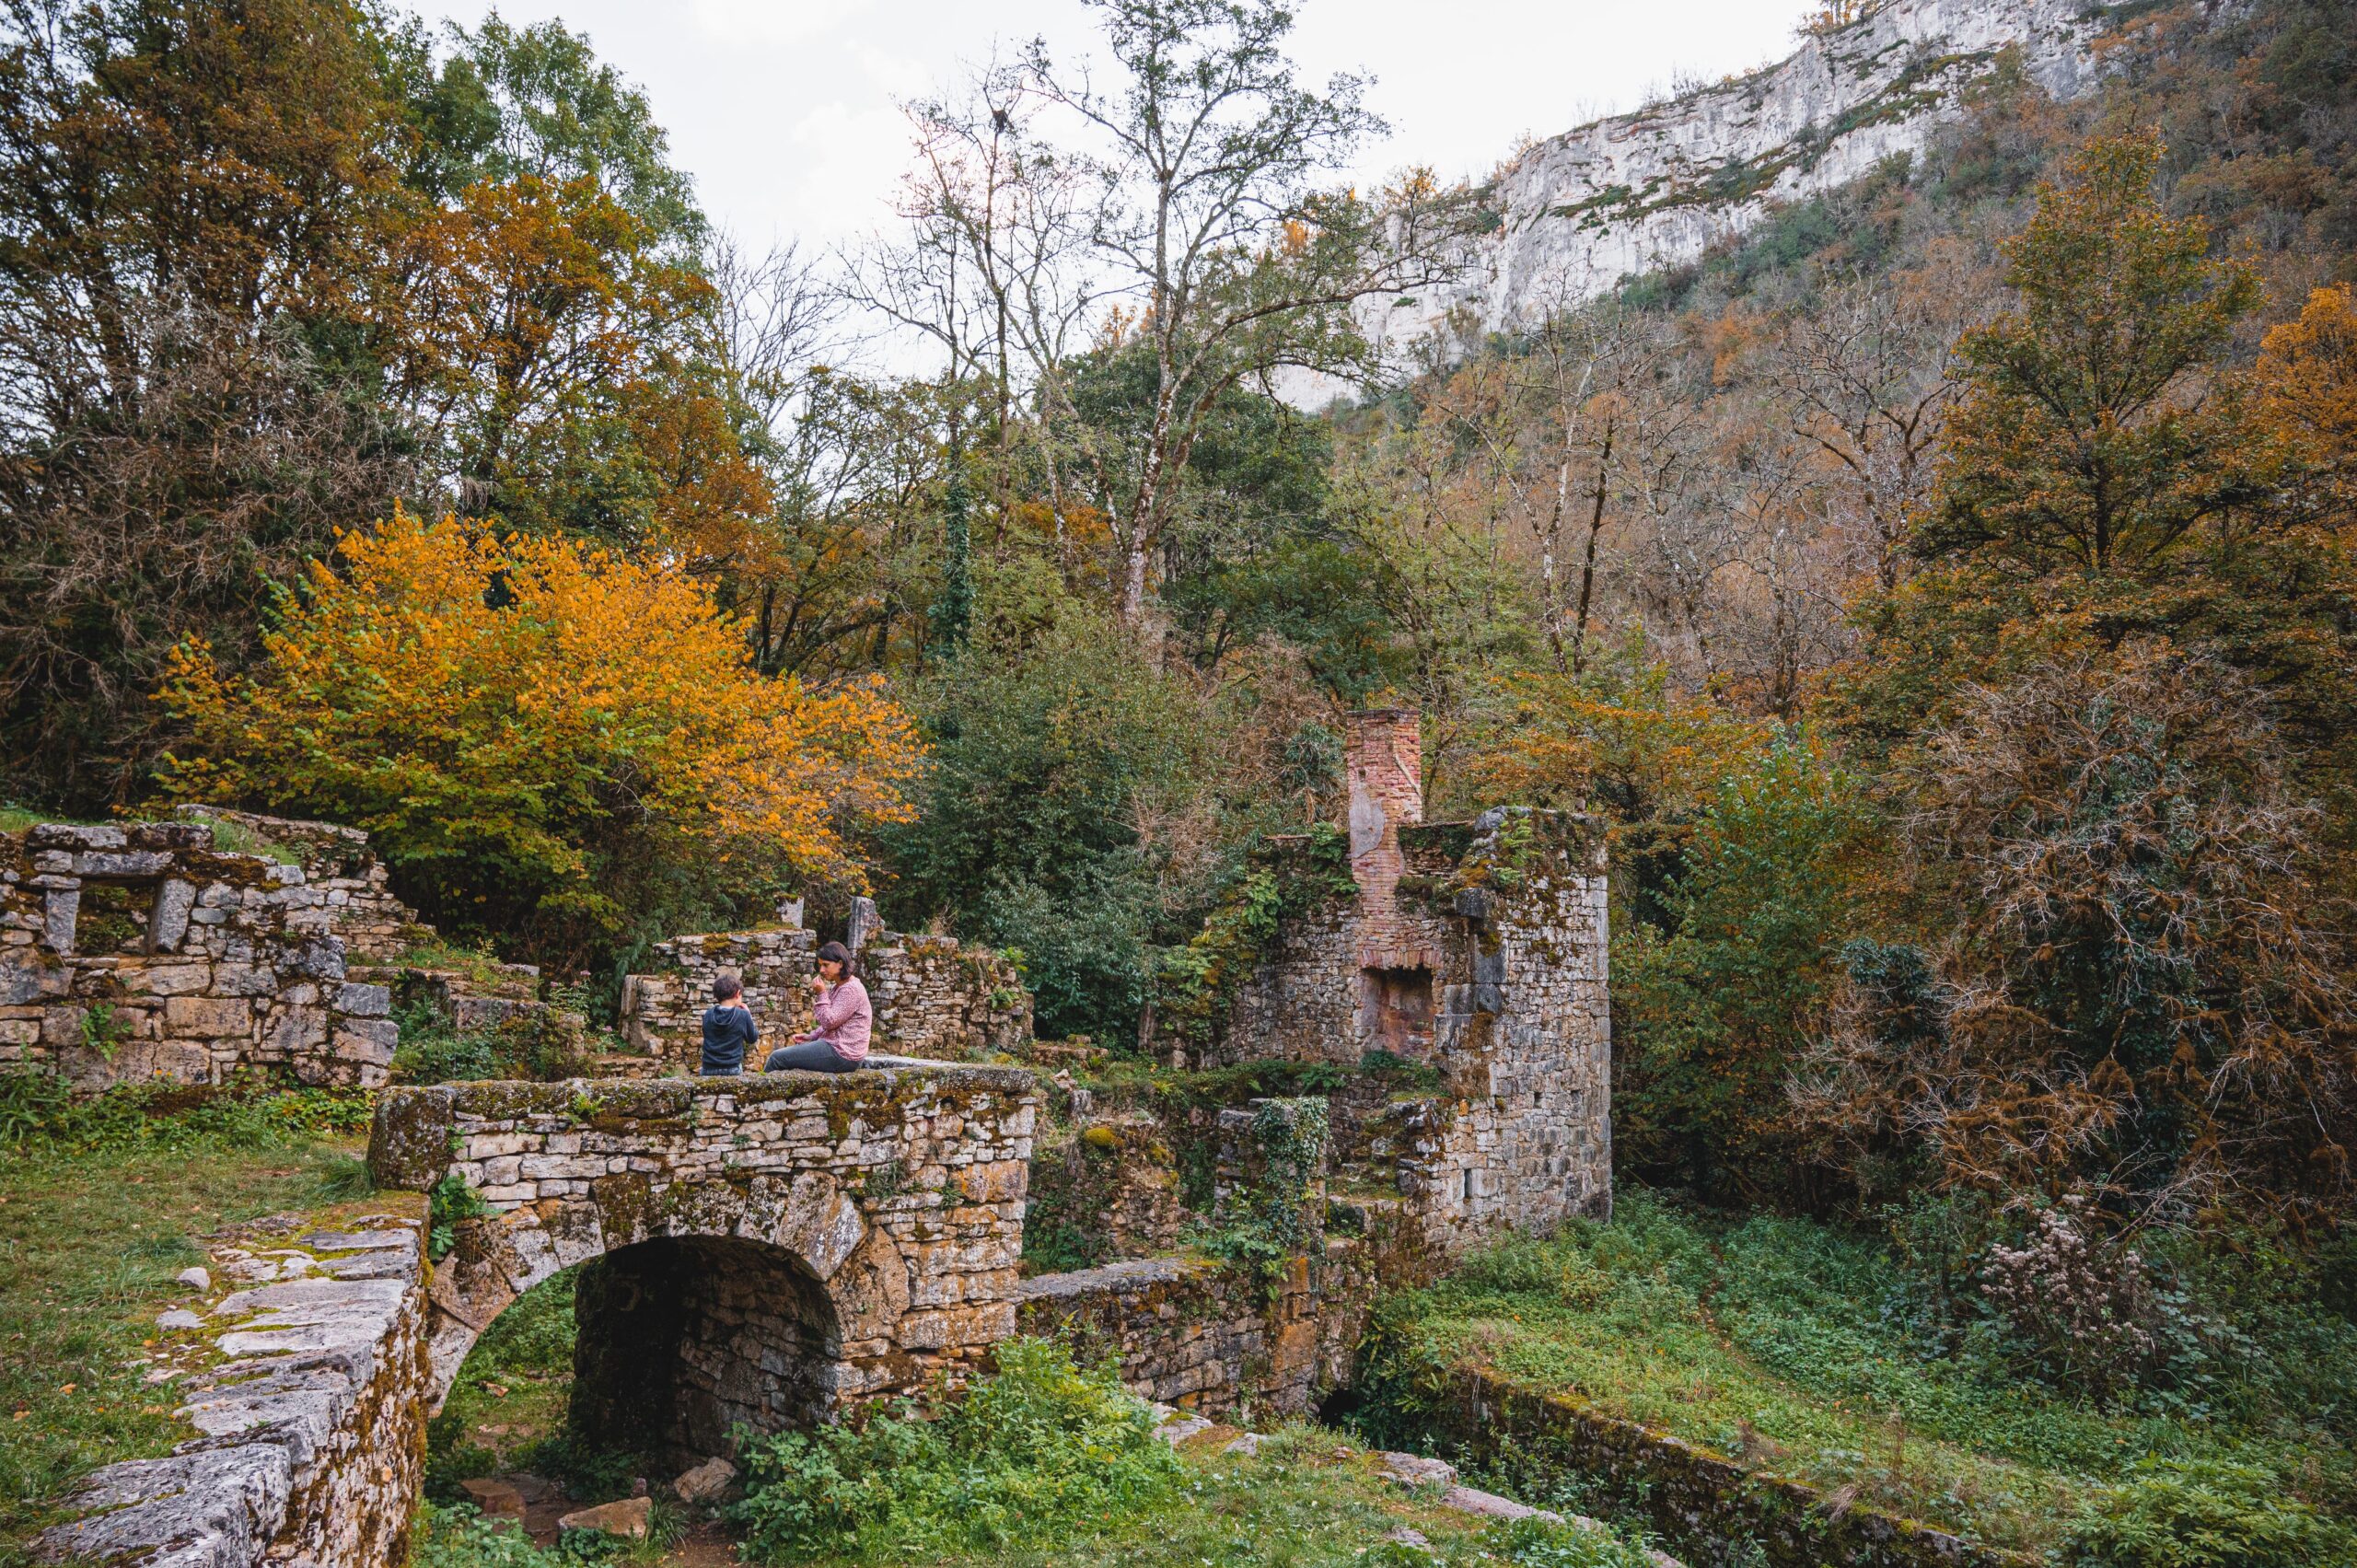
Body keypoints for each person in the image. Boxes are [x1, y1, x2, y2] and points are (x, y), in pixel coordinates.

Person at [764, 941, 868, 1074]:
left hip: (843, 1054)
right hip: (840, 1049)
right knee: (786, 1059)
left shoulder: (851, 989)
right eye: (820, 965)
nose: (822, 970)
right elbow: (835, 1021)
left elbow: (829, 1021)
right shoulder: (841, 986)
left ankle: (758, 1087)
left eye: (826, 965)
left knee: (777, 1058)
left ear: (840, 964)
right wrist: (812, 1036)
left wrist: (821, 993)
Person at [699, 972, 760, 1076]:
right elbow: (752, 1038)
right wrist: (748, 1015)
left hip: (709, 1068)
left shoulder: (708, 1014)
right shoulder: (743, 1015)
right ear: (737, 993)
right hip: (732, 1068)